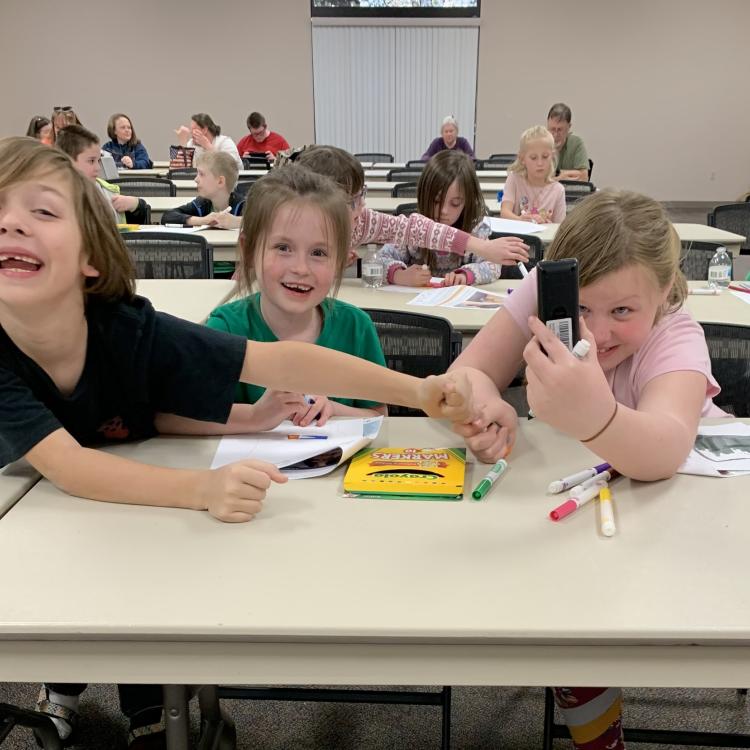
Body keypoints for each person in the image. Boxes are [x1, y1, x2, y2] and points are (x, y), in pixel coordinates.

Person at [0, 136, 473, 747]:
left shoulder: (128, 327)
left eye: (41, 211)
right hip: (38, 513)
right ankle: (70, 689)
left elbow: (282, 361)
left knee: (140, 582)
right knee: (76, 591)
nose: (11, 222)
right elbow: (69, 468)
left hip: (121, 495)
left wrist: (422, 393)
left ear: (92, 255)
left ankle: (154, 713)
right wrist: (205, 487)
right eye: (0, 211)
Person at [450, 189, 726, 750]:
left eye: (623, 311)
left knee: (592, 615)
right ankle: (596, 726)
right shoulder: (545, 290)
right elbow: (468, 373)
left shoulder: (676, 333)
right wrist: (490, 404)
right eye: (581, 310)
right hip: (577, 505)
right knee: (563, 611)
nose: (595, 333)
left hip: (677, 517)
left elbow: (666, 447)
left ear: (665, 295)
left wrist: (594, 418)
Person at [205, 164, 387, 427]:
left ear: (340, 262)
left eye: (319, 253)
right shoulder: (225, 329)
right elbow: (195, 418)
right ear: (249, 250)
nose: (301, 269)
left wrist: (335, 409)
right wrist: (257, 416)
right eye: (283, 248)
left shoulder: (357, 328)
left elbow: (380, 416)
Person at [295, 145, 529, 269]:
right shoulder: (288, 228)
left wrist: (480, 247)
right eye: (354, 200)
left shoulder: (361, 222)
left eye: (362, 194)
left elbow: (417, 229)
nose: (363, 205)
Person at [380, 150, 501, 286]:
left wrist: (466, 275)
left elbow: (493, 264)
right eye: (436, 201)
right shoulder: (414, 229)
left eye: (455, 204)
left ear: (467, 201)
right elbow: (379, 259)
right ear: (424, 196)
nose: (444, 211)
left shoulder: (475, 231)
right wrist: (400, 275)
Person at [55, 124, 149, 225]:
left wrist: (137, 206)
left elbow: (128, 233)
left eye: (98, 161)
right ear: (66, 161)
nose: (98, 168)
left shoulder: (106, 193)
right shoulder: (51, 200)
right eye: (91, 161)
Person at [161, 151, 244, 229]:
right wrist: (203, 220)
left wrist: (237, 221)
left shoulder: (243, 205)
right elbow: (168, 216)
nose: (196, 179)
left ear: (220, 181)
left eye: (201, 174)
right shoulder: (202, 203)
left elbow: (257, 221)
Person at [501, 125, 566, 225]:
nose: (540, 163)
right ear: (522, 159)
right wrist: (521, 220)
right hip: (518, 238)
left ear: (552, 157)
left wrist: (548, 225)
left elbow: (561, 227)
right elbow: (504, 213)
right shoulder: (514, 179)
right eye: (533, 158)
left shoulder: (558, 190)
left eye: (545, 157)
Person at [174, 112, 242, 169]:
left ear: (205, 130)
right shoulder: (191, 143)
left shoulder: (225, 142)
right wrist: (182, 142)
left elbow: (230, 166)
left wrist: (207, 146)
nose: (191, 132)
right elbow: (178, 171)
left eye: (194, 129)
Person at [546, 102, 589, 182]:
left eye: (560, 130)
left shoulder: (576, 143)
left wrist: (555, 175)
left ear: (569, 127)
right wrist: (561, 177)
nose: (555, 134)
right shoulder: (539, 143)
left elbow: (584, 177)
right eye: (552, 129)